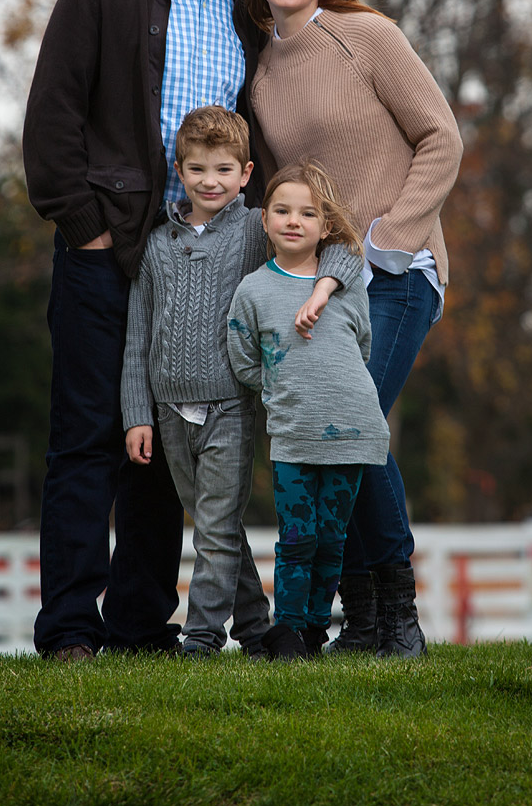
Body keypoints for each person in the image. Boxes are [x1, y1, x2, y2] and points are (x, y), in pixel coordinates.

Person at [23, 0, 265, 661]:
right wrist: (86, 233)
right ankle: (68, 631)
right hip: (107, 257)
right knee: (89, 438)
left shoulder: (248, 14)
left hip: (203, 266)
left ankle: (135, 625)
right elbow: (51, 122)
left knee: (167, 445)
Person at [242, 0, 463, 658]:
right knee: (340, 432)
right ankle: (364, 617)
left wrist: (389, 241)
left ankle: (397, 620)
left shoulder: (364, 34)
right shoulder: (262, 73)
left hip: (395, 273)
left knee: (354, 423)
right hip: (324, 286)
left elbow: (441, 136)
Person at [120, 107, 361, 658]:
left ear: (246, 173)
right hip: (166, 410)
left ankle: (201, 640)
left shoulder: (259, 226)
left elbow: (344, 250)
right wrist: (137, 413)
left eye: (224, 170)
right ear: (178, 170)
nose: (211, 182)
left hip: (229, 404)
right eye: (198, 170)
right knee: (217, 529)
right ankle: (257, 629)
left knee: (215, 527)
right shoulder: (156, 245)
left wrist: (322, 290)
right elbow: (138, 336)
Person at [227, 161, 390, 661]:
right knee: (297, 536)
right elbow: (243, 358)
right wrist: (281, 387)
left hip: (354, 431)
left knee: (332, 537)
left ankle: (317, 630)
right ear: (265, 220)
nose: (293, 221)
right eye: (281, 210)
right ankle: (289, 630)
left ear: (324, 226)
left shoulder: (344, 284)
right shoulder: (253, 290)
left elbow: (361, 344)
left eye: (306, 213)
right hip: (294, 436)